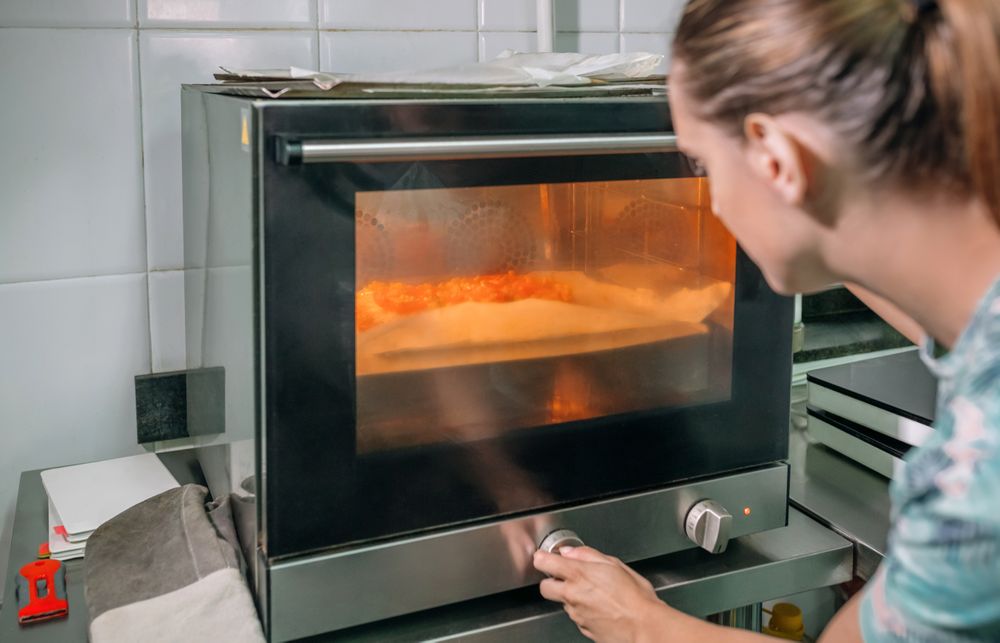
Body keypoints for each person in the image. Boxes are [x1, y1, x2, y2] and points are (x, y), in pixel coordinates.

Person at [533, 0, 1000, 640]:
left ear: (775, 158)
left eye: (701, 165)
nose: (711, 204)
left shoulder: (980, 474)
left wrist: (641, 623)